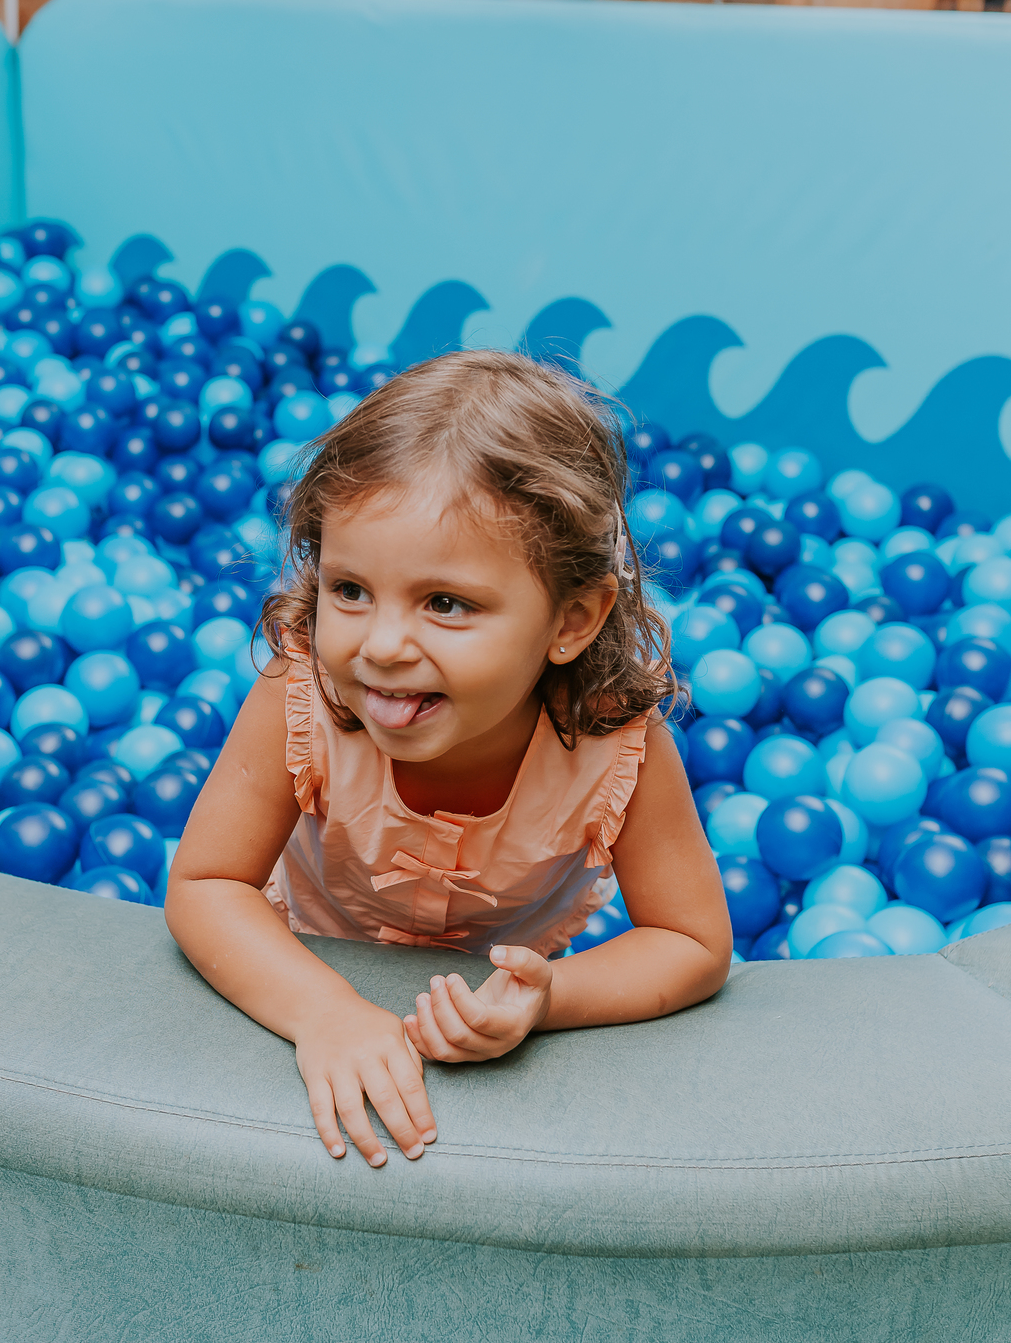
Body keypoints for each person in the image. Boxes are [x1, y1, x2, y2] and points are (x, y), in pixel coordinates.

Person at [166, 352, 732, 1168]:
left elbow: (692, 941)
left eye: (445, 604)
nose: (382, 646)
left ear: (571, 621)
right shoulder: (303, 690)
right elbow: (206, 884)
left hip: (491, 978)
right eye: (350, 590)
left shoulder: (617, 743)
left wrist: (546, 999)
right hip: (304, 941)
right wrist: (322, 1010)